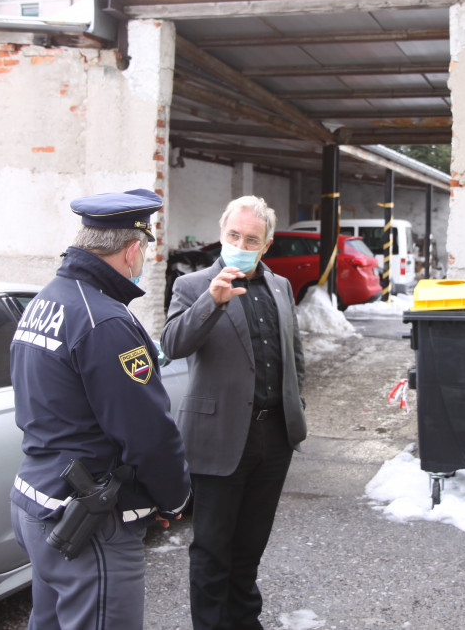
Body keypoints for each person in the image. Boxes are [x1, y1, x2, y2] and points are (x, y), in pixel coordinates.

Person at [10, 189, 191, 630]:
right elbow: (147, 433)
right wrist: (174, 496)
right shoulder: (105, 320)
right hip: (90, 522)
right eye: (144, 250)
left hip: (39, 503)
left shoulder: (45, 301)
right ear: (133, 250)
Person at [161, 195, 306, 630]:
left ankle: (244, 620)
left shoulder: (279, 286)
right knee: (211, 548)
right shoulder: (193, 286)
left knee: (250, 546)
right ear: (222, 234)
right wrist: (213, 301)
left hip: (273, 436)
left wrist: (296, 408)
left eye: (252, 239)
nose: (241, 243)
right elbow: (172, 345)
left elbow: (293, 356)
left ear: (266, 244)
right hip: (219, 437)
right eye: (233, 235)